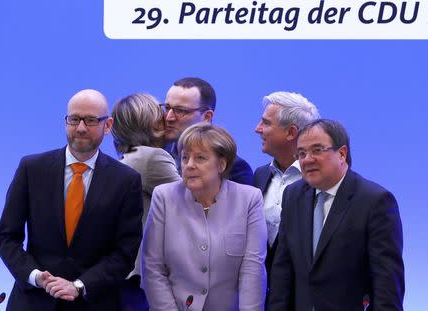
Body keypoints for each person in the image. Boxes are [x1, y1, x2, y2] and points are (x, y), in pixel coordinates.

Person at [0, 89, 143, 310]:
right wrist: (35, 276)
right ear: (66, 120)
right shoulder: (32, 168)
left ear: (108, 125)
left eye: (91, 120)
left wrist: (80, 286)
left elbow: (124, 254)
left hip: (92, 302)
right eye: (74, 119)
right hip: (33, 301)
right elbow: (6, 237)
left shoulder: (126, 180)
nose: (81, 128)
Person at [268, 119, 404, 311]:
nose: (307, 159)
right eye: (301, 153)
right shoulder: (293, 195)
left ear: (342, 154)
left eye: (317, 150)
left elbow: (387, 286)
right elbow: (283, 270)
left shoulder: (376, 202)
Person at [142, 123, 267, 310]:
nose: (190, 165)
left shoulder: (249, 199)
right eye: (185, 158)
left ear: (222, 164)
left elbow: (253, 270)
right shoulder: (164, 197)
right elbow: (153, 268)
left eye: (200, 158)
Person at [111, 93, 181, 311]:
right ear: (148, 121)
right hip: (142, 279)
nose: (167, 116)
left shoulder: (129, 157)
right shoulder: (152, 158)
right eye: (160, 110)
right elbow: (194, 203)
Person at [253, 91, 319, 281]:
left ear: (291, 132)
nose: (257, 129)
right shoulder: (260, 176)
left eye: (266, 123)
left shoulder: (319, 182)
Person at [163, 77, 253, 185]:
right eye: (167, 108)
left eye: (180, 111)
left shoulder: (235, 169)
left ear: (207, 117)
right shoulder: (158, 153)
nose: (169, 117)